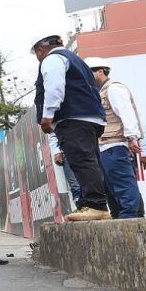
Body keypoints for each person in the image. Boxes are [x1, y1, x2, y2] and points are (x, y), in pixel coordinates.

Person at [31, 35, 110, 221]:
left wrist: (47, 116)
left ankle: (96, 205)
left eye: (37, 54)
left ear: (40, 50)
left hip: (73, 117)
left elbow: (55, 86)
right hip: (89, 117)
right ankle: (89, 203)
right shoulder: (76, 61)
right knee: (87, 161)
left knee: (81, 160)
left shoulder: (52, 59)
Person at [83, 57, 146, 219]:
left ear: (100, 71)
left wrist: (132, 139)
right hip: (105, 148)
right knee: (111, 188)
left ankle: (130, 219)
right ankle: (121, 218)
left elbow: (128, 115)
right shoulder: (99, 92)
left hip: (115, 146)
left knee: (123, 186)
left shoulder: (114, 89)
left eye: (89, 72)